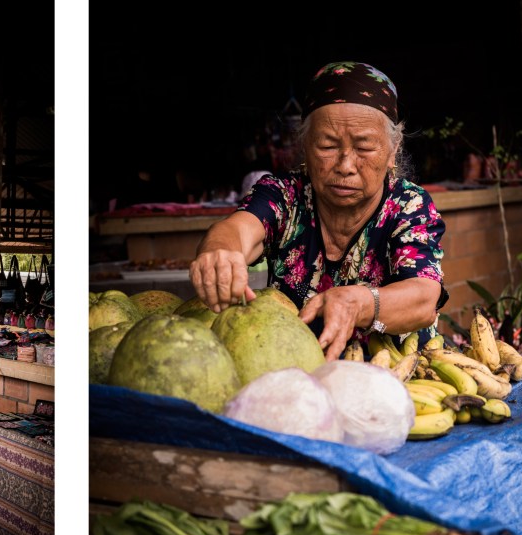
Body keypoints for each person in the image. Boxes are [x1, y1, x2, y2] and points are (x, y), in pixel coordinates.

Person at [190, 62, 447, 361]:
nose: (345, 166)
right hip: (297, 370)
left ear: (393, 150)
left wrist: (359, 303)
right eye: (327, 146)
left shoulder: (408, 204)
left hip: (399, 372)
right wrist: (220, 251)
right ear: (305, 147)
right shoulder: (285, 195)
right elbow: (238, 229)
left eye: (364, 147)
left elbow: (424, 298)